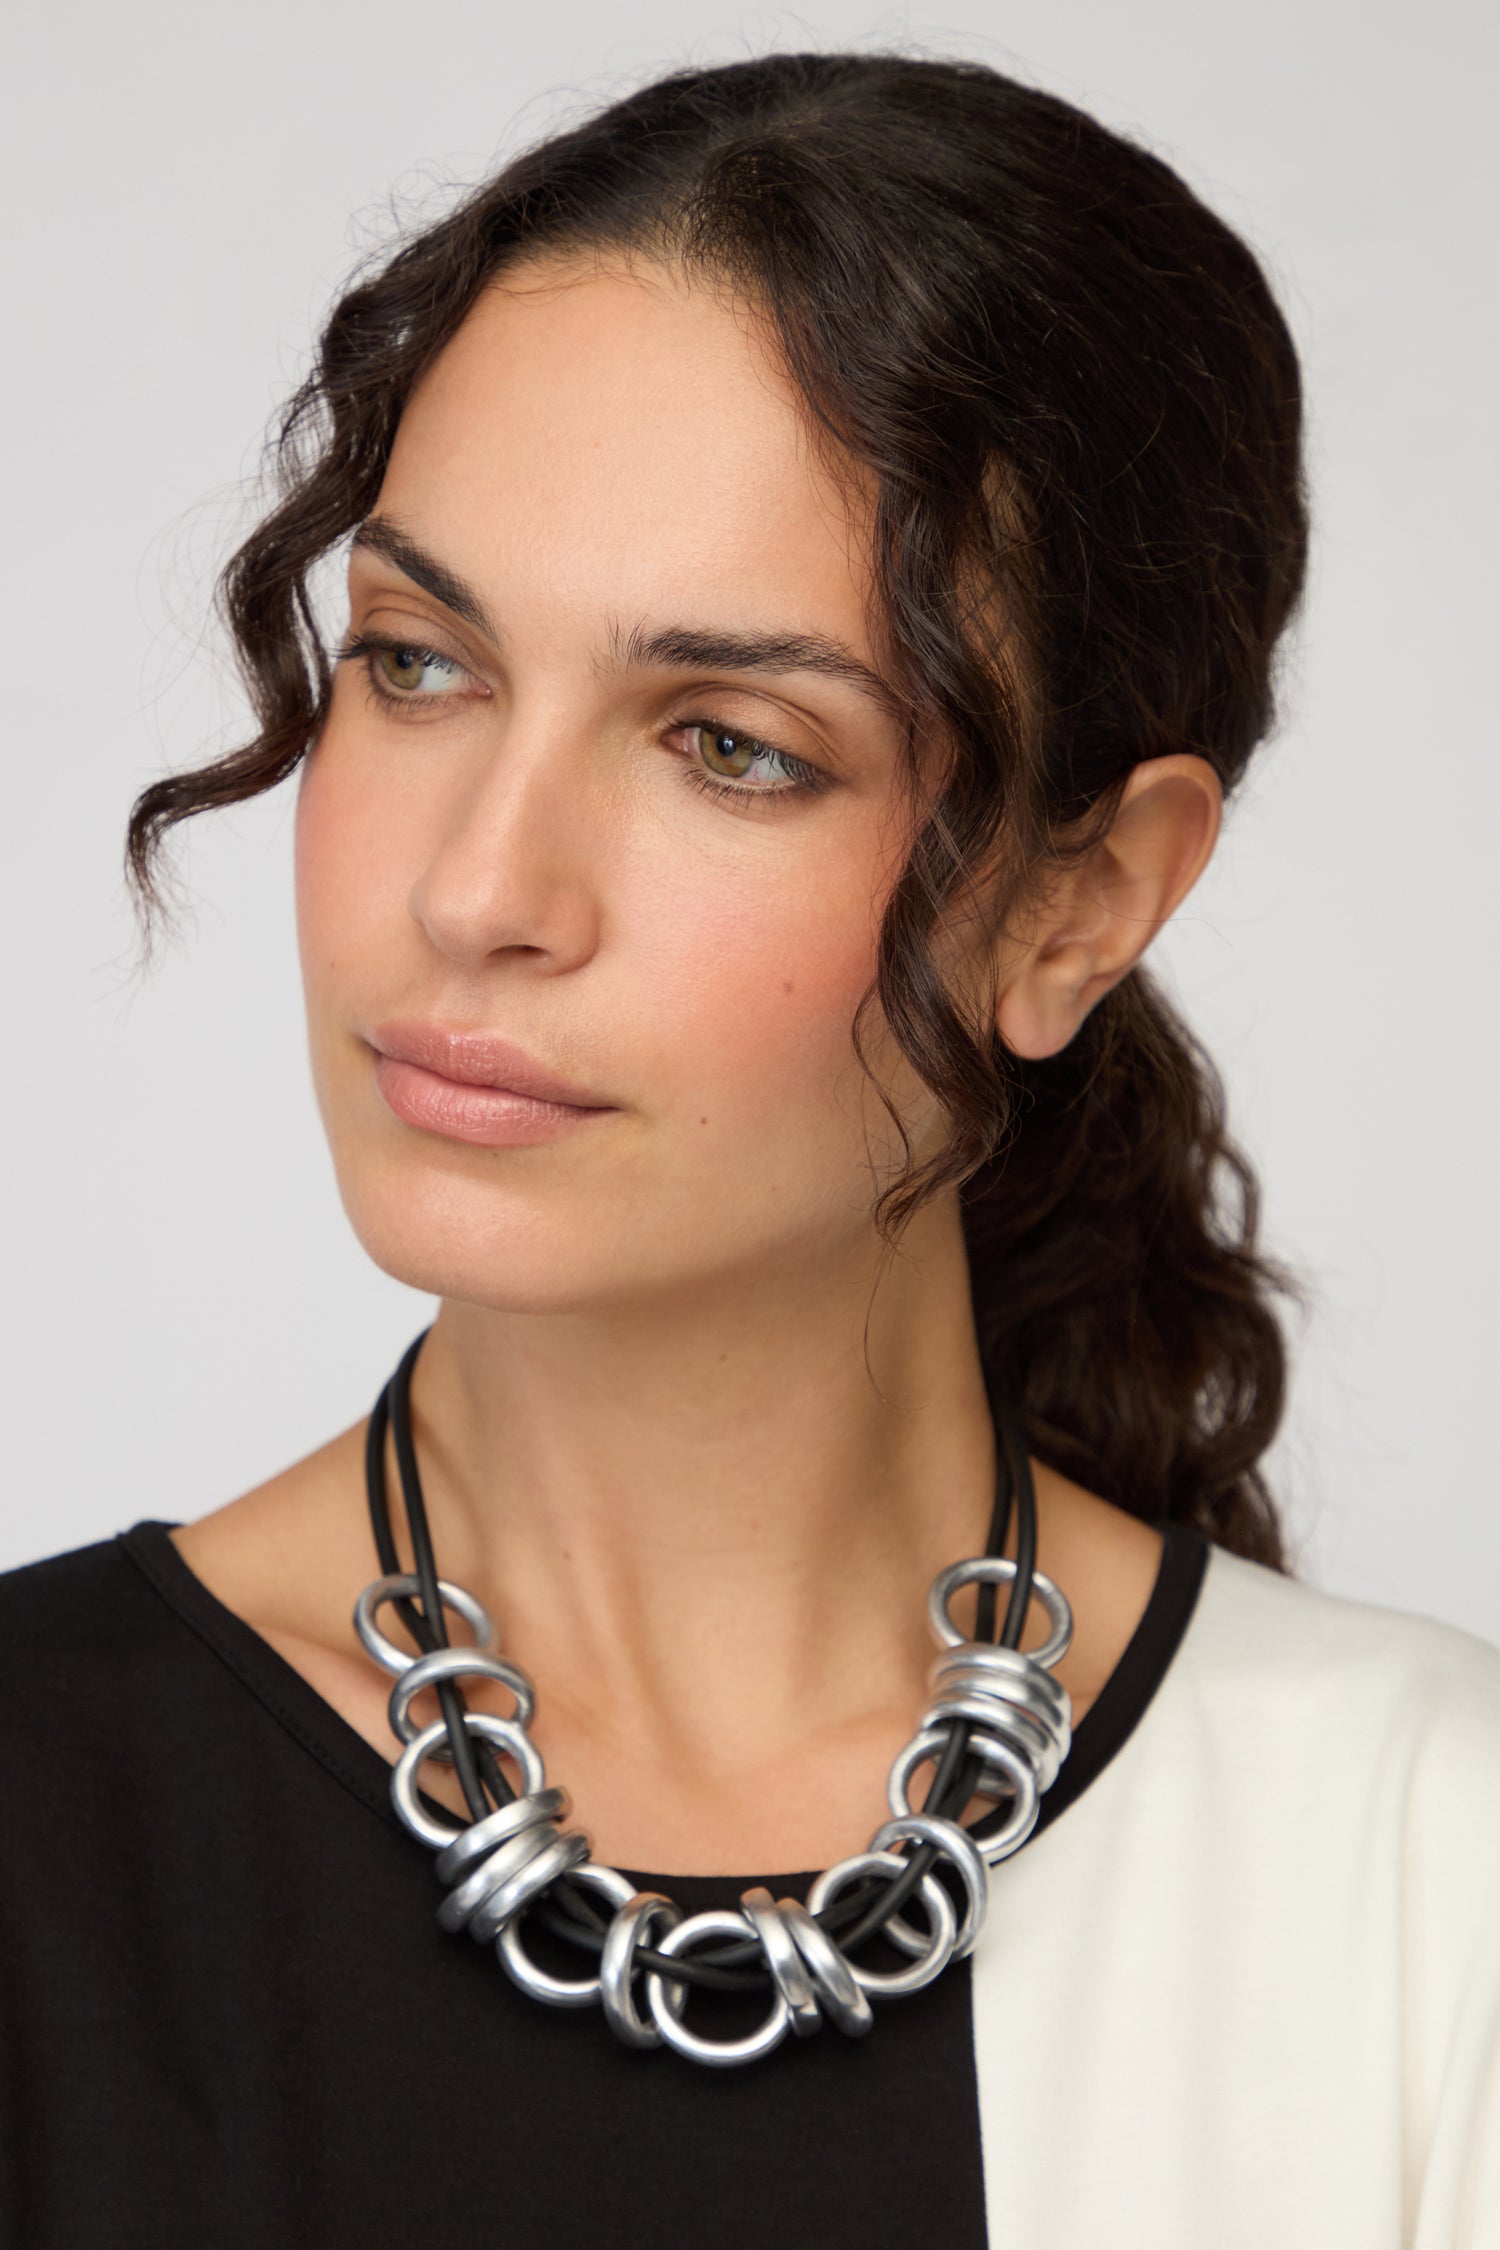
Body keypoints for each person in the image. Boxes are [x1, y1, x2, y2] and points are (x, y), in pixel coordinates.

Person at [1, 47, 1495, 2250]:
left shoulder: (1419, 1874)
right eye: (417, 666)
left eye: (729, 744)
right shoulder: (39, 1824)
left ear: (1081, 900)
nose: (482, 889)